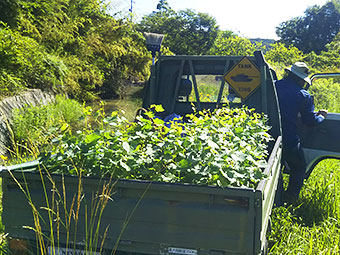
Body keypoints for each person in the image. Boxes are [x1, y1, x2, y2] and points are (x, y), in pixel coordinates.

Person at [275, 62, 328, 202]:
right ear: (301, 79)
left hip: (267, 135)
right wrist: (321, 116)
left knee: (273, 169)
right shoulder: (303, 95)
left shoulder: (273, 86)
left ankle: (274, 197)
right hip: (289, 138)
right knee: (299, 168)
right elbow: (310, 121)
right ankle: (289, 199)